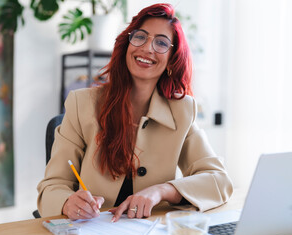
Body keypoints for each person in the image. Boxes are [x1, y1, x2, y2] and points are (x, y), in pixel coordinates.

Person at [37, 3, 233, 222]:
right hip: (90, 231)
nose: (148, 48)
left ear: (171, 60)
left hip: (149, 232)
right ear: (126, 46)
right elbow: (51, 187)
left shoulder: (182, 110)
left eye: (161, 43)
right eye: (140, 37)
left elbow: (219, 181)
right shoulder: (81, 104)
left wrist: (162, 191)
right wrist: (67, 202)